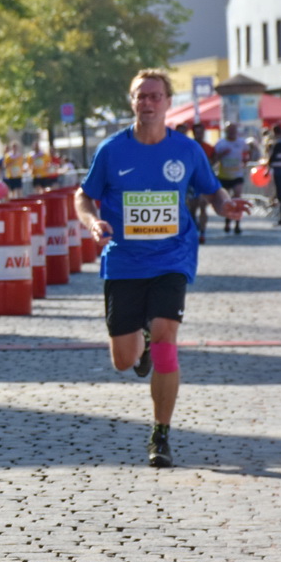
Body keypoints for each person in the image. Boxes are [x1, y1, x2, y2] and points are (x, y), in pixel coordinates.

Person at [75, 70, 250, 469]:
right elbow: (83, 197)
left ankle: (161, 434)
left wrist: (226, 207)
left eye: (155, 96)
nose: (148, 103)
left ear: (169, 102)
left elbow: (212, 190)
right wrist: (91, 222)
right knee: (123, 360)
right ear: (131, 101)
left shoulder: (187, 151)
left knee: (167, 336)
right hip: (123, 260)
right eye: (141, 96)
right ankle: (142, 341)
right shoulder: (112, 150)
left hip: (172, 257)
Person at [211, 123, 247, 235]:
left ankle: (237, 224)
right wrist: (222, 154)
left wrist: (245, 160)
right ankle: (227, 221)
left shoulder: (241, 142)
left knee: (237, 197)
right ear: (225, 131)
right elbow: (213, 159)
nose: (231, 132)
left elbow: (247, 154)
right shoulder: (221, 143)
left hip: (237, 175)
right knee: (227, 200)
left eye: (233, 130)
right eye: (229, 130)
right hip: (224, 176)